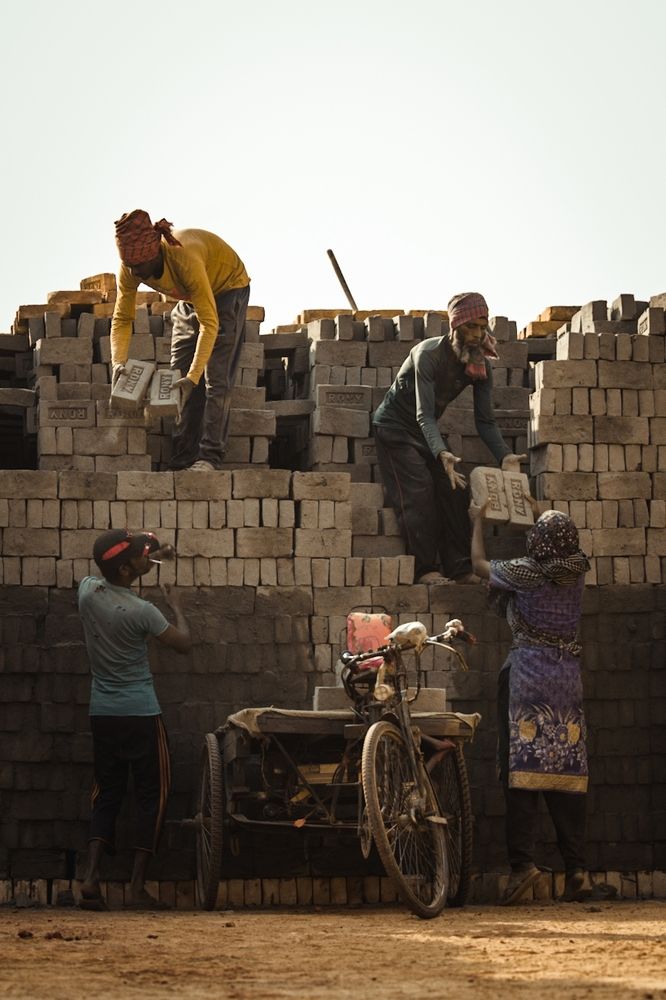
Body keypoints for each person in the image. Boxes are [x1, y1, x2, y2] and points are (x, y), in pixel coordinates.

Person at [470, 503, 592, 904]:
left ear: (538, 542)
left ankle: (522, 868)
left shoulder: (526, 573)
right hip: (567, 683)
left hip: (527, 681)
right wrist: (540, 511)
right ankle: (577, 872)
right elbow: (557, 541)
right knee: (565, 777)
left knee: (520, 774)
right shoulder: (576, 569)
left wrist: (478, 522)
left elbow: (479, 565)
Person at [373, 291, 524, 585]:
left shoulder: (479, 364)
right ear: (455, 326)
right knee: (420, 490)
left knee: (456, 489)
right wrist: (442, 453)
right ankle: (425, 569)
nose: (478, 334)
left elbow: (485, 420)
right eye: (472, 327)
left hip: (425, 432)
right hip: (395, 429)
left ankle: (459, 567)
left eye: (483, 327)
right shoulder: (427, 355)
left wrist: (504, 454)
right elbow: (423, 415)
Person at [77, 529, 192, 910]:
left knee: (106, 793)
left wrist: (157, 550)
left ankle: (91, 877)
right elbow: (183, 644)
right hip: (141, 713)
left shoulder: (88, 592)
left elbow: (116, 558)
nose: (149, 560)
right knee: (151, 796)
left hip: (103, 713)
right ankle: (137, 886)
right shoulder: (145, 612)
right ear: (127, 569)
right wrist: (176, 606)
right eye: (144, 558)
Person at [110, 209, 250, 471]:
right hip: (188, 298)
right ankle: (183, 458)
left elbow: (210, 324)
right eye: (130, 267)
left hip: (227, 289)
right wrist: (118, 362)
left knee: (215, 379)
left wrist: (194, 376)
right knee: (177, 374)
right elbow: (121, 319)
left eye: (140, 267)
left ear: (154, 255)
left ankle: (209, 457)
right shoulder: (129, 269)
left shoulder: (184, 259)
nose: (136, 273)